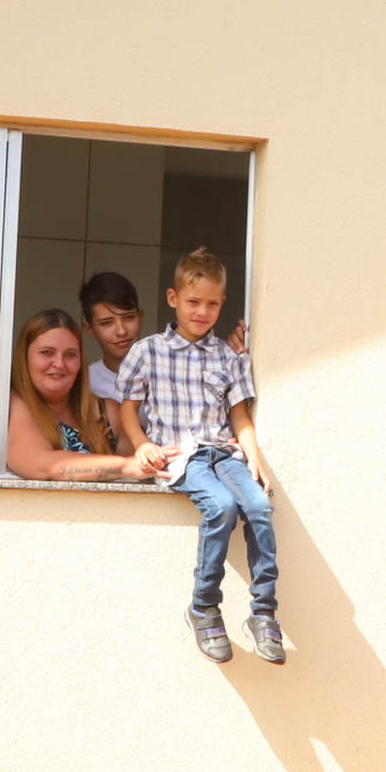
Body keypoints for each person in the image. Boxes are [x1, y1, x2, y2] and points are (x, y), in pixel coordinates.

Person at [116, 248, 280, 665]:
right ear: (173, 298)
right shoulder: (148, 351)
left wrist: (254, 456)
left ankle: (264, 611)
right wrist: (142, 445)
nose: (202, 311)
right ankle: (204, 605)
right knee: (222, 507)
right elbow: (127, 410)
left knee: (259, 506)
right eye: (193, 302)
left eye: (211, 303)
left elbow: (239, 414)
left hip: (223, 453)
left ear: (222, 303)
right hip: (180, 456)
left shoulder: (229, 358)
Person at [7, 309, 149, 483]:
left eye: (70, 355)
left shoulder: (106, 413)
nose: (59, 364)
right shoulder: (13, 405)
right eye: (47, 353)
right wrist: (127, 466)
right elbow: (41, 464)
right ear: (25, 357)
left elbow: (146, 475)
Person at [77, 270, 146, 450]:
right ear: (89, 329)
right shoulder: (85, 382)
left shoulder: (167, 372)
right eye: (107, 323)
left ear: (141, 317)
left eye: (129, 317)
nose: (121, 331)